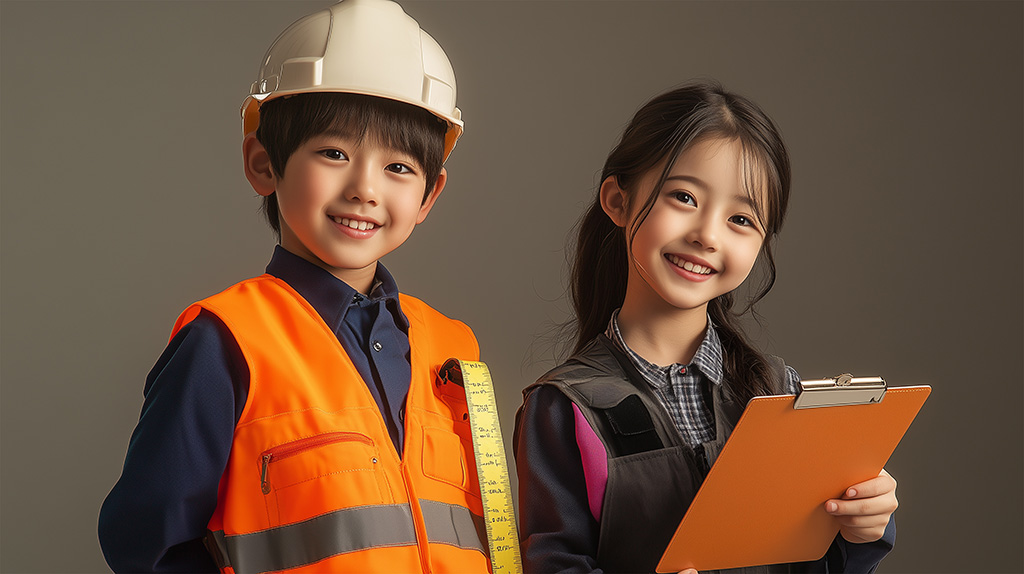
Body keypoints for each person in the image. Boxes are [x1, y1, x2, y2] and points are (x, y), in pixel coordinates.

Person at [98, 1, 489, 572]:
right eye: (334, 153)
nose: (365, 189)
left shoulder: (455, 352)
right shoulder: (225, 343)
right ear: (263, 164)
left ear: (429, 195)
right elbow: (145, 543)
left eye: (399, 168)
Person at [513, 82, 898, 573]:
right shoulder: (564, 409)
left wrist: (862, 526)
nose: (708, 235)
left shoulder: (780, 393)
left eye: (741, 219)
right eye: (684, 197)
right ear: (617, 200)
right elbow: (553, 564)